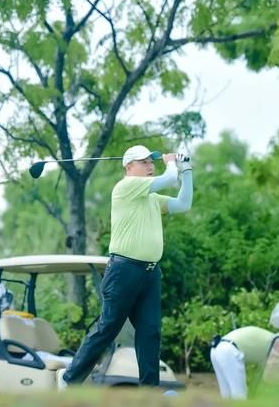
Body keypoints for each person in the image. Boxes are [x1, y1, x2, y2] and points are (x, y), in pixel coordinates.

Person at [58, 145, 193, 388]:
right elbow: (169, 178)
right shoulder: (126, 187)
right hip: (123, 271)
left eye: (152, 162)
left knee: (150, 333)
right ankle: (69, 379)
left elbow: (184, 204)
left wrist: (188, 171)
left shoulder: (151, 198)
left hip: (150, 274)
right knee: (108, 329)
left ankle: (149, 393)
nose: (151, 166)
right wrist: (172, 162)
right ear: (129, 167)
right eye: (144, 162)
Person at [210, 326, 275, 399]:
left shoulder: (271, 339)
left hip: (216, 348)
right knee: (239, 395)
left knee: (227, 394)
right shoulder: (276, 343)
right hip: (229, 350)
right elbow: (269, 375)